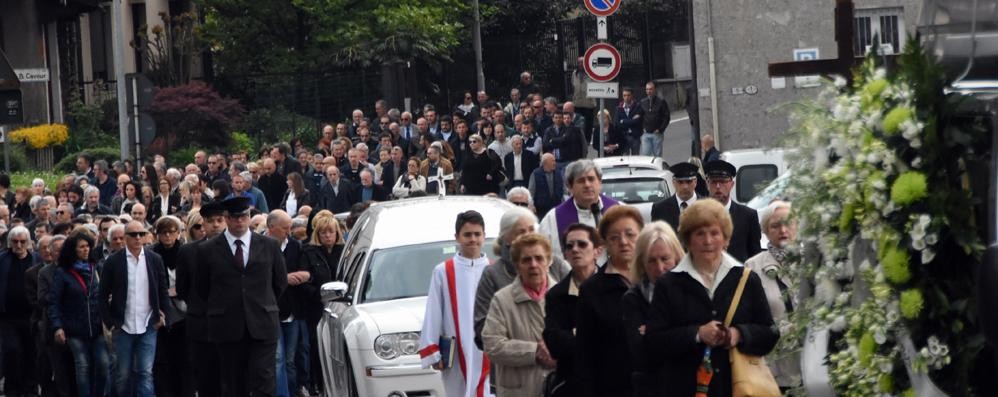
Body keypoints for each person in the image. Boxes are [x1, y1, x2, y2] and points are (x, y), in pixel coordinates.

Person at [644, 199, 778, 396]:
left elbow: (770, 333)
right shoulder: (669, 284)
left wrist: (738, 334)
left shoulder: (746, 278)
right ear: (688, 240)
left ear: (726, 239)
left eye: (714, 233)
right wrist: (697, 334)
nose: (708, 241)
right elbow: (654, 343)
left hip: (736, 388)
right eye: (700, 234)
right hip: (684, 388)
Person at [194, 197, 288, 396]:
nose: (240, 221)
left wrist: (262, 303)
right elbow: (202, 288)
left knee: (264, 378)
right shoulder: (207, 250)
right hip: (227, 325)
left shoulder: (269, 245)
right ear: (226, 218)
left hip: (262, 322)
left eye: (244, 216)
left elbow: (279, 282)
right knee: (233, 382)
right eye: (235, 217)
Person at [418, 211, 491, 397]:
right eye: (467, 234)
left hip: (489, 349)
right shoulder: (443, 271)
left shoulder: (493, 269)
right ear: (457, 237)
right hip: (457, 350)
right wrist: (432, 349)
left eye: (477, 234)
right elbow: (434, 310)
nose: (473, 239)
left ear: (484, 235)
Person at [473, 207, 570, 349]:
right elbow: (483, 330)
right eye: (521, 232)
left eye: (531, 230)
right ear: (506, 238)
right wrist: (531, 346)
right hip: (513, 365)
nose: (528, 236)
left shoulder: (556, 265)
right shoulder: (493, 275)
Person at [574, 205, 643, 397]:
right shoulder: (592, 289)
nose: (623, 242)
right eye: (615, 237)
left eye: (630, 234)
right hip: (612, 387)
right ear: (604, 243)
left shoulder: (657, 280)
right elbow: (585, 353)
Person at [99, 220, 170, 397]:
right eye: (133, 234)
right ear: (125, 237)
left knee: (145, 373)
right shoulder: (114, 261)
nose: (138, 238)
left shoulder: (155, 259)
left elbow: (162, 289)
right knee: (122, 374)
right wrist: (109, 322)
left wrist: (163, 315)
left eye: (141, 234)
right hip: (122, 326)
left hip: (148, 324)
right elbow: (101, 295)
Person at [482, 233, 557, 397]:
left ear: (549, 261)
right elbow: (492, 345)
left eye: (539, 258)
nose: (533, 265)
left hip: (558, 388)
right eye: (526, 260)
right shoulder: (502, 300)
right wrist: (534, 351)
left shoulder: (564, 296)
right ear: (516, 265)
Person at [622, 222, 684, 397]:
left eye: (665, 259)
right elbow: (641, 355)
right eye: (651, 261)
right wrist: (682, 331)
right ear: (641, 263)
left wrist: (653, 331)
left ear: (677, 257)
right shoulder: (633, 298)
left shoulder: (692, 291)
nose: (659, 268)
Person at [744, 201, 800, 389]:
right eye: (775, 225)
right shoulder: (752, 268)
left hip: (811, 367)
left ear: (797, 226)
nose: (783, 229)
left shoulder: (812, 261)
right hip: (775, 370)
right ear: (765, 231)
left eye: (788, 223)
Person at [543, 223, 602, 397]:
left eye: (582, 244)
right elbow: (555, 343)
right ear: (565, 254)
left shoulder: (615, 286)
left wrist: (576, 333)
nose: (575, 249)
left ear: (597, 250)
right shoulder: (556, 295)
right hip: (571, 385)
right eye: (570, 246)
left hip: (610, 383)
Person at [49, 232, 110, 397]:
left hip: (97, 327)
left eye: (87, 246)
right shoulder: (63, 273)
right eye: (81, 247)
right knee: (82, 366)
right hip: (74, 328)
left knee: (104, 364)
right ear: (73, 250)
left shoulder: (95, 268)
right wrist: (58, 327)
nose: (86, 250)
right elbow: (54, 302)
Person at [175, 202, 225, 397]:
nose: (215, 225)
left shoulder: (235, 249)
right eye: (210, 221)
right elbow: (183, 288)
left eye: (219, 220)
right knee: (205, 378)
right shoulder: (188, 251)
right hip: (201, 324)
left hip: (230, 325)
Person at [299, 212, 344, 395]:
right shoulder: (308, 253)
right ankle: (318, 384)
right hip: (317, 308)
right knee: (317, 348)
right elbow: (305, 281)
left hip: (342, 306)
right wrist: (319, 295)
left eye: (331, 232)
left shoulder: (344, 251)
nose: (327, 236)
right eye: (324, 232)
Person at [538, 159, 620, 257]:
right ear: (570, 187)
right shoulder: (553, 219)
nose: (587, 185)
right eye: (581, 181)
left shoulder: (619, 211)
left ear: (600, 183)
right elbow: (543, 255)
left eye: (591, 179)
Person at [267, 210, 308, 397]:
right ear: (271, 228)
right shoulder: (262, 246)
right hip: (271, 310)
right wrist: (284, 278)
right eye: (284, 228)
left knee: (290, 358)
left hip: (291, 310)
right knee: (277, 359)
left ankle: (291, 391)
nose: (288, 231)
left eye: (290, 227)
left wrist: (305, 275)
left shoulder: (295, 246)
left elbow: (305, 268)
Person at [150, 216, 193, 397]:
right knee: (162, 360)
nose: (168, 236)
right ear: (157, 235)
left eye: (171, 232)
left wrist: (179, 290)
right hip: (161, 313)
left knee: (184, 359)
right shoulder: (152, 255)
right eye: (163, 233)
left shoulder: (186, 252)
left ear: (178, 233)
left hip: (185, 313)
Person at [0, 226, 41, 396]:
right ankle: (12, 388)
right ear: (10, 243)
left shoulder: (36, 260)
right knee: (12, 350)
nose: (18, 245)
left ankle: (30, 388)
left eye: (22, 241)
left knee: (31, 352)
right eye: (15, 242)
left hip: (31, 316)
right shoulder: (2, 260)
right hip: (7, 316)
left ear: (29, 242)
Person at [704, 160, 762, 262]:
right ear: (707, 184)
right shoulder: (698, 215)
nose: (718, 186)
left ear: (732, 184)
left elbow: (755, 256)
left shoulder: (748, 216)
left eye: (722, 181)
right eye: (713, 182)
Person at [651, 162, 703, 231]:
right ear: (673, 183)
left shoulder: (708, 206)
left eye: (689, 182)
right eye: (680, 182)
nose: (685, 187)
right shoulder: (660, 209)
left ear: (695, 182)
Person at [638, 81, 671, 157]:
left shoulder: (661, 101)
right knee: (646, 156)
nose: (649, 91)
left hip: (657, 134)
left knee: (657, 156)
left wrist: (660, 129)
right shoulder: (642, 102)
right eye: (647, 89)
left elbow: (667, 117)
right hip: (645, 134)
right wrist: (642, 128)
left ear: (655, 90)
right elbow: (639, 116)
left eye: (651, 89)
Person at [527, 153, 563, 218]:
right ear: (545, 162)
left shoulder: (558, 173)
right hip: (541, 209)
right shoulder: (535, 174)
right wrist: (531, 205)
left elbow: (563, 190)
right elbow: (530, 192)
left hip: (556, 207)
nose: (555, 163)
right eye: (553, 161)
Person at [615, 87, 644, 155]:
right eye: (624, 95)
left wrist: (623, 121)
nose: (626, 97)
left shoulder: (637, 106)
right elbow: (617, 124)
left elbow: (637, 122)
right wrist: (631, 121)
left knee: (635, 157)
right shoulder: (619, 108)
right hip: (624, 137)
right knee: (625, 158)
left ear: (632, 95)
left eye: (628, 95)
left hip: (635, 136)